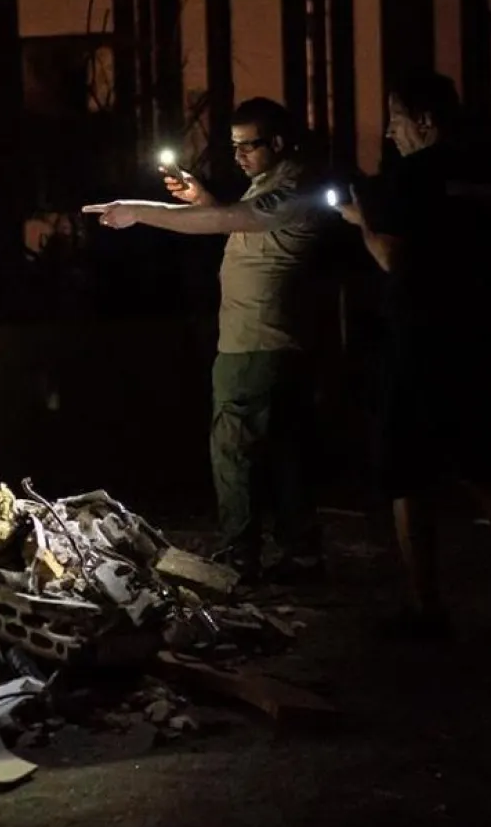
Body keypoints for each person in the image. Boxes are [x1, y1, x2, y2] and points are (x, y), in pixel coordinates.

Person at [335, 69, 491, 647]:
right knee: (486, 471)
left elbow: (392, 257)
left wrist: (361, 220)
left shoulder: (409, 178)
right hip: (479, 339)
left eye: (395, 120)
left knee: (406, 473)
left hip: (420, 345)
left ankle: (425, 608)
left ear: (425, 121)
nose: (390, 133)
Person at [83, 97, 329, 584]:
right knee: (282, 453)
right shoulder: (274, 185)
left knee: (238, 455)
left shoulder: (295, 186)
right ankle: (296, 553)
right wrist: (204, 201)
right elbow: (237, 221)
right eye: (234, 146)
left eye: (248, 146)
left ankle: (242, 555)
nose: (238, 156)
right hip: (271, 344)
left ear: (277, 142)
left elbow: (230, 222)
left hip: (257, 345)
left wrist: (139, 211)